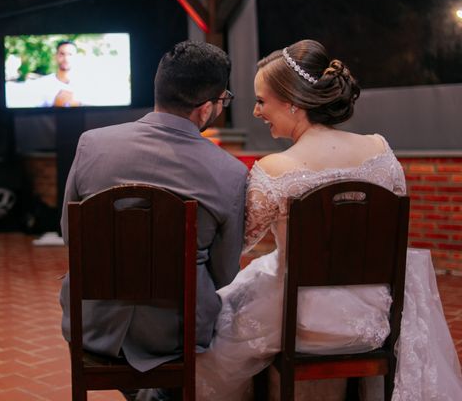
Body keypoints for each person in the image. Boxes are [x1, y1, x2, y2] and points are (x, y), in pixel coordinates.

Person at [196, 40, 462, 400]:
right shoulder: (381, 152)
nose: (257, 112)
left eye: (262, 101)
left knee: (213, 334)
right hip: (376, 312)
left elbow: (235, 247)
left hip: (303, 320)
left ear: (292, 102)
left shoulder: (275, 170)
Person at [59, 41, 248, 397]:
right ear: (206, 108)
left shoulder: (91, 144)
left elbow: (71, 235)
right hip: (176, 332)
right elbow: (225, 273)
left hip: (94, 323)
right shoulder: (230, 173)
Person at [5, 40, 84, 108]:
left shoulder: (85, 85)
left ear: (76, 57)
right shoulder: (42, 84)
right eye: (62, 54)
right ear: (55, 56)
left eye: (70, 54)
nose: (66, 58)